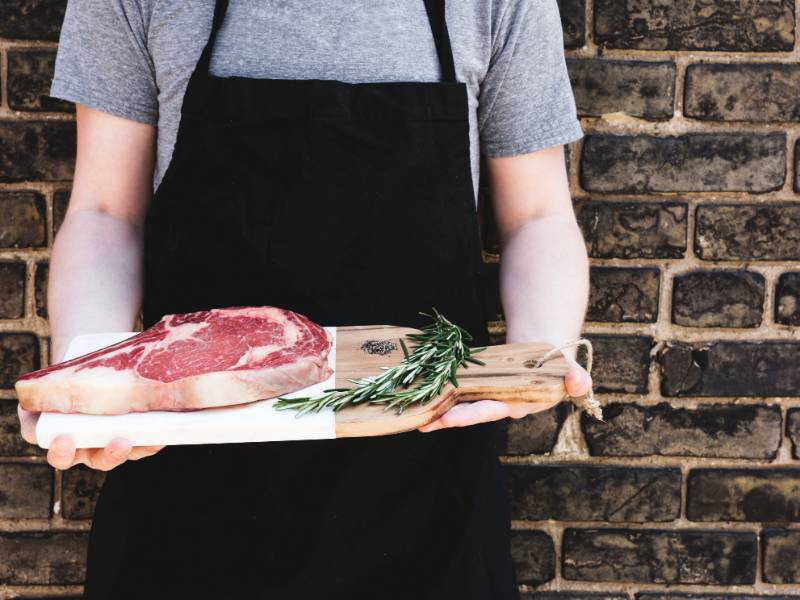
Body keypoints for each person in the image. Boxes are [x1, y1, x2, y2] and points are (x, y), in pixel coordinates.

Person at [18, 1, 592, 598]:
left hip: (430, 499)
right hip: (184, 495)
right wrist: (89, 384)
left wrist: (535, 357)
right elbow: (105, 213)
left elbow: (537, 215)